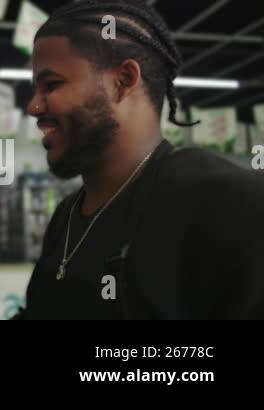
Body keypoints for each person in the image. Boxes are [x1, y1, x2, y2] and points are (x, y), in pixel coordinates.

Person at [14, 0, 264, 319]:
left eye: (51, 85)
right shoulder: (67, 216)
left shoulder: (227, 203)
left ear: (123, 81)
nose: (34, 107)